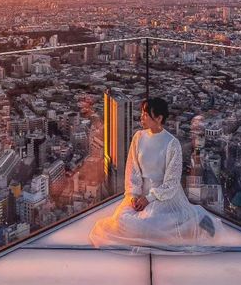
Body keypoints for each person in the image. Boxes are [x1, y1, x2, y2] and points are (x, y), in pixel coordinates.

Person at [88, 96, 227, 252]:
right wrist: (134, 194)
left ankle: (196, 222)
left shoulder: (171, 143)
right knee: (121, 220)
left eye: (146, 114)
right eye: (142, 113)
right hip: (139, 193)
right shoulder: (138, 137)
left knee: (149, 223)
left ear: (159, 118)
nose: (142, 117)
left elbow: (172, 182)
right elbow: (132, 169)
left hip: (164, 194)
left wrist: (149, 198)